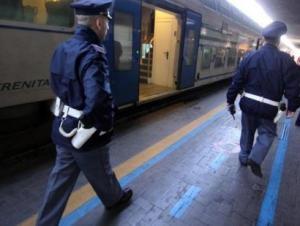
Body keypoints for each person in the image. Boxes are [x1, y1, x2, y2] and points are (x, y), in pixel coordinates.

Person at [36, 1, 133, 225]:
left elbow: (56, 85)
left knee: (59, 181)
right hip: (86, 136)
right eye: (107, 23)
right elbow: (98, 98)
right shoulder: (93, 53)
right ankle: (115, 199)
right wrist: (103, 126)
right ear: (98, 22)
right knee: (101, 170)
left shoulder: (62, 48)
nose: (107, 28)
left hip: (63, 128)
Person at [226, 21, 300, 178]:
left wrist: (230, 99)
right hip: (269, 108)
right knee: (267, 133)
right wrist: (292, 107)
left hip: (248, 105)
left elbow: (237, 81)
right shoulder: (285, 60)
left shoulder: (250, 56)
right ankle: (256, 157)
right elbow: (294, 86)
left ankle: (244, 157)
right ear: (278, 40)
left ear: (263, 38)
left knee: (247, 132)